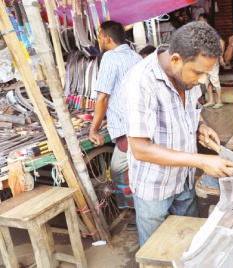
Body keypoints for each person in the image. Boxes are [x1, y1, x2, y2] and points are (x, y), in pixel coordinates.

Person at [121, 21, 233, 246]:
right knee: (157, 252)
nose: (203, 80)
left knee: (189, 245)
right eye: (199, 73)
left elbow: (194, 109)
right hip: (154, 187)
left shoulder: (187, 74)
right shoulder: (140, 83)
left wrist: (201, 125)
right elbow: (140, 149)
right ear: (175, 60)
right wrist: (201, 160)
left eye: (207, 73)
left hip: (183, 180)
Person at [88, 21, 142, 230]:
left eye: (100, 37)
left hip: (128, 129)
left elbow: (103, 97)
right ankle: (139, 210)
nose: (99, 41)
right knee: (138, 169)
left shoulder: (110, 57)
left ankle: (140, 212)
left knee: (120, 169)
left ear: (107, 38)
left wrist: (93, 128)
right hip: (140, 124)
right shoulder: (136, 57)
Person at [198, 13, 225, 109]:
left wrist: (220, 56)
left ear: (206, 21)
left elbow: (221, 42)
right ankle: (211, 100)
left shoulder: (211, 31)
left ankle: (219, 101)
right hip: (205, 61)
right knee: (207, 81)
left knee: (214, 80)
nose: (199, 22)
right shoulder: (202, 33)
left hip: (212, 60)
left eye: (201, 20)